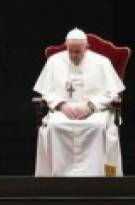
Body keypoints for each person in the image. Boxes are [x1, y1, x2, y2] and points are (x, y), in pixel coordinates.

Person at [34, 28, 126, 177]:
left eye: (78, 51)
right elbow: (46, 91)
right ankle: (59, 178)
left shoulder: (101, 62)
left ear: (86, 47)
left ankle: (97, 177)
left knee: (97, 126)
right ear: (66, 46)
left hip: (96, 110)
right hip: (62, 110)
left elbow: (112, 93)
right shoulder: (54, 61)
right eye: (71, 51)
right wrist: (62, 105)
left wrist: (90, 106)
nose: (74, 55)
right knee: (55, 126)